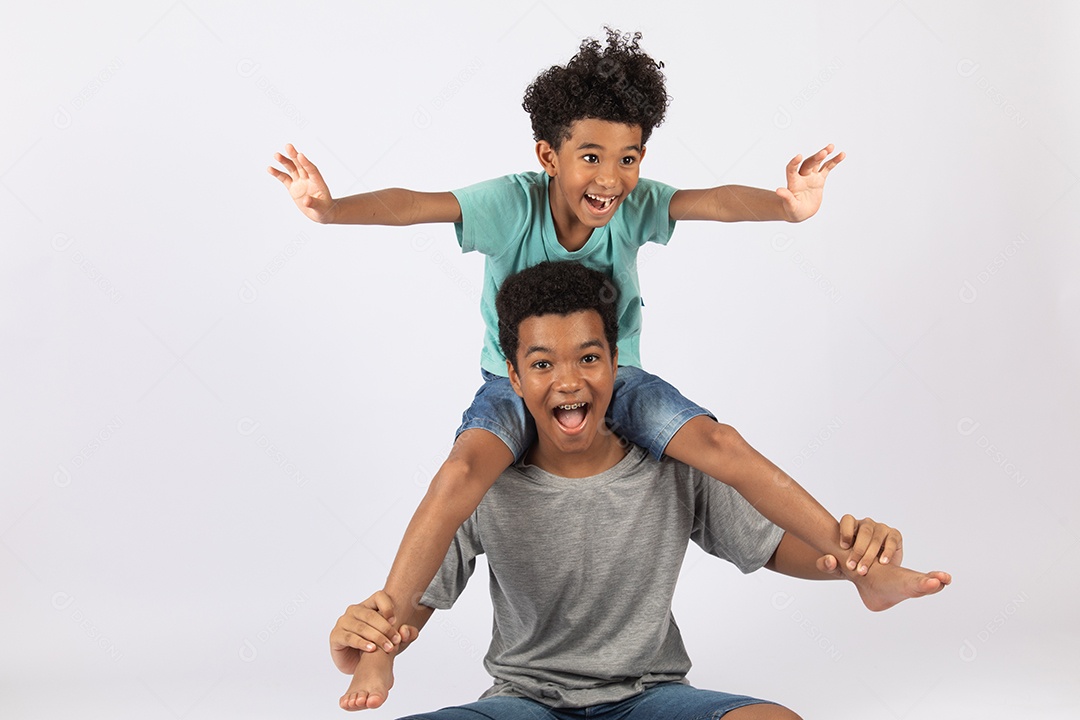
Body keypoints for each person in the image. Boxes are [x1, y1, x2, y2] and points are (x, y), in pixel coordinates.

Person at [268, 28, 866, 707]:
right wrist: (331, 210)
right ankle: (378, 651)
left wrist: (784, 207)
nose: (611, 179)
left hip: (623, 381)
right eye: (591, 156)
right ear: (548, 156)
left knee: (718, 441)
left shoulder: (634, 206)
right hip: (510, 385)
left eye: (630, 157)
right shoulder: (510, 204)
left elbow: (711, 201)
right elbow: (416, 205)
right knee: (462, 470)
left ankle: (858, 560)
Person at [333, 261, 952, 717]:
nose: (569, 381)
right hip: (524, 701)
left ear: (615, 364)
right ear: (514, 378)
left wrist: (852, 564)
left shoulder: (669, 464)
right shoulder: (489, 482)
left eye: (589, 358)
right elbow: (410, 605)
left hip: (648, 698)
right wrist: (361, 643)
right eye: (543, 364)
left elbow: (767, 544)